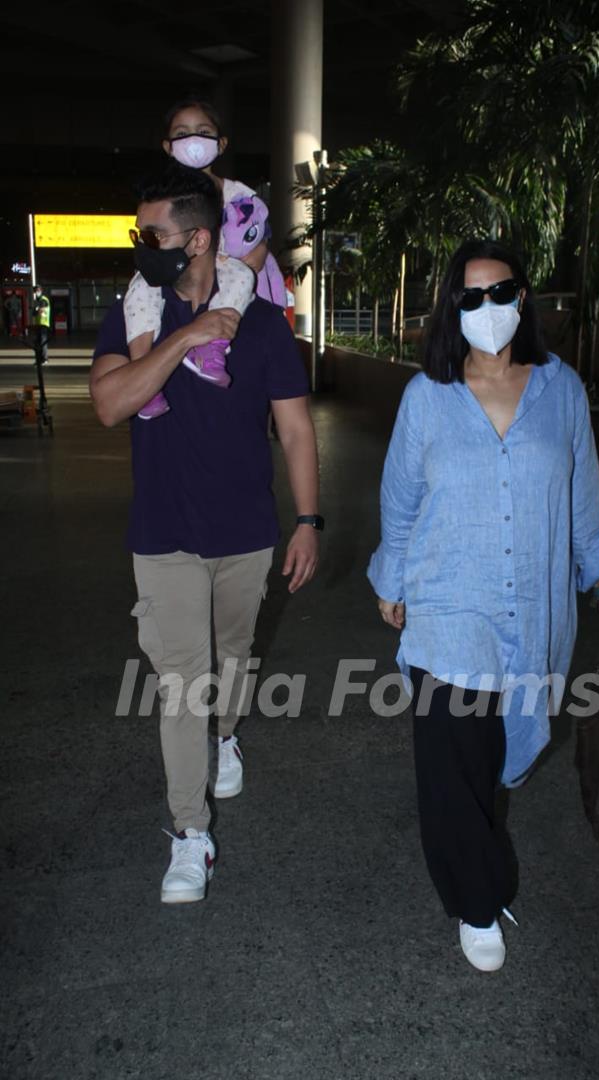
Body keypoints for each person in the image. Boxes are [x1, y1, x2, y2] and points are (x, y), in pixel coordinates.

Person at [368, 239, 599, 973]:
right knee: (452, 768)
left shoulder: (562, 391)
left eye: (501, 292)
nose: (488, 309)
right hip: (448, 606)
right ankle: (478, 901)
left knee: (493, 758)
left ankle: (475, 869)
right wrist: (390, 581)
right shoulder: (428, 395)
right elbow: (399, 502)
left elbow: (584, 503)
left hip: (534, 612)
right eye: (470, 296)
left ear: (525, 297)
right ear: (451, 308)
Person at [90, 162, 322, 904]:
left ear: (196, 240)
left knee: (235, 659)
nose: (141, 245)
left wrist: (309, 520)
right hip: (162, 536)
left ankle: (228, 734)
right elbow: (110, 404)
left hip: (247, 531)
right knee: (181, 686)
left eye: (151, 234)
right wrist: (186, 338)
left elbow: (294, 430)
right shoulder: (131, 317)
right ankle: (191, 833)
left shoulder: (260, 326)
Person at [124, 98, 273, 420]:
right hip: (172, 270)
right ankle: (144, 374)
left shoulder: (239, 194)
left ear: (221, 144)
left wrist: (257, 253)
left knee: (242, 276)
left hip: (223, 270)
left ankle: (210, 348)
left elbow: (259, 232)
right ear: (167, 146)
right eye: (182, 132)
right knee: (140, 290)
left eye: (203, 131)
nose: (193, 139)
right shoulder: (162, 194)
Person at [31, 285, 51, 363]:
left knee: (43, 342)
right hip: (38, 324)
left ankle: (45, 358)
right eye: (36, 291)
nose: (37, 292)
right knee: (37, 342)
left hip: (44, 324)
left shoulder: (44, 300)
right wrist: (36, 310)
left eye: (38, 290)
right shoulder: (37, 301)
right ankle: (38, 359)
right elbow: (33, 313)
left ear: (41, 290)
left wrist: (37, 310)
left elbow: (40, 310)